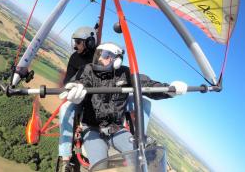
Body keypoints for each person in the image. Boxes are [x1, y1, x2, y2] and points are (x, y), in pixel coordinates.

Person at [60, 42, 187, 170]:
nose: (99, 58)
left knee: (141, 158)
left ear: (116, 60)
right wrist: (77, 88)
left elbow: (147, 85)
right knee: (100, 166)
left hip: (116, 129)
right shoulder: (88, 69)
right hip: (93, 128)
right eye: (98, 54)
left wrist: (169, 90)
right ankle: (65, 157)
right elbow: (81, 80)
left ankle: (141, 136)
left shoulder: (125, 73)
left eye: (104, 55)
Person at [58, 26, 97, 171]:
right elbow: (67, 81)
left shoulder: (99, 57)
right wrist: (74, 85)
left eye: (79, 42)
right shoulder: (75, 57)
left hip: (95, 98)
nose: (75, 45)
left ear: (90, 43)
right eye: (75, 42)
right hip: (79, 97)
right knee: (64, 109)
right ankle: (66, 158)